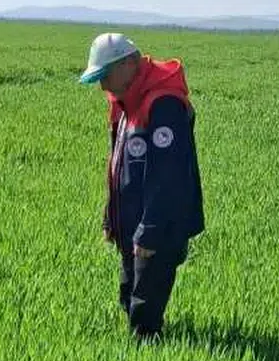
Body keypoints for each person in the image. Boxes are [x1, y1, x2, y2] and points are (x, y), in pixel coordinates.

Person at [79, 32, 205, 342]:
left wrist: (150, 231)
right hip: (131, 224)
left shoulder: (163, 105)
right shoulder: (125, 102)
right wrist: (111, 218)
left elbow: (167, 176)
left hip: (158, 226)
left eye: (105, 75)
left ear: (129, 63)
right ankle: (138, 346)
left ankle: (149, 353)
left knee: (145, 314)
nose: (103, 86)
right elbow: (118, 166)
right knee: (128, 295)